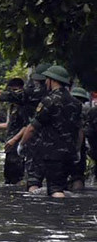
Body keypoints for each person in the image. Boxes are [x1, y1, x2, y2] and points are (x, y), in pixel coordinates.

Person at [10, 66, 82, 198]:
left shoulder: (49, 100)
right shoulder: (76, 103)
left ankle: (55, 215)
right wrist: (77, 149)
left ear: (51, 80)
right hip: (69, 153)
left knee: (55, 190)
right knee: (61, 186)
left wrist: (21, 144)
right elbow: (79, 130)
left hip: (51, 153)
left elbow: (33, 127)